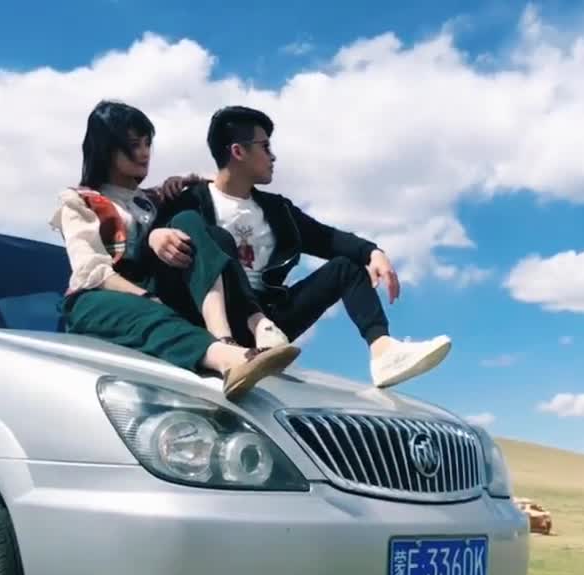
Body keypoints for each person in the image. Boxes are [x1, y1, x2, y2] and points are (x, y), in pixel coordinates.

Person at [152, 105, 452, 389]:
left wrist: (373, 252)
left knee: (346, 267)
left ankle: (384, 352)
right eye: (265, 146)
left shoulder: (277, 210)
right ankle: (237, 340)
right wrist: (157, 235)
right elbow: (145, 245)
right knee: (218, 239)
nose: (273, 156)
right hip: (215, 323)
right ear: (238, 151)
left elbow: (328, 239)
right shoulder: (188, 199)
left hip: (272, 326)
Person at [50, 100, 300, 400]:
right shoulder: (79, 202)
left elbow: (211, 183)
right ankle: (227, 358)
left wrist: (187, 181)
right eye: (133, 144)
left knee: (195, 224)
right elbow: (91, 270)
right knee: (143, 311)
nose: (144, 152)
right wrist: (146, 297)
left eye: (147, 143)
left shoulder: (154, 198)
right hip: (100, 299)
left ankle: (227, 336)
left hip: (154, 289)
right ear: (106, 148)